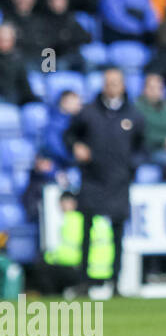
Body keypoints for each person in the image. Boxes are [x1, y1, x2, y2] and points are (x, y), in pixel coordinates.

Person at [64, 67, 145, 297]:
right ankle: (84, 281)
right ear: (103, 85)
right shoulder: (88, 113)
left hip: (119, 180)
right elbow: (69, 135)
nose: (112, 87)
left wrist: (131, 165)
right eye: (108, 82)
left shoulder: (134, 115)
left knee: (118, 232)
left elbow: (142, 147)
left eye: (116, 82)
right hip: (92, 179)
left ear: (123, 85)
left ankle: (116, 281)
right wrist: (76, 147)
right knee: (86, 229)